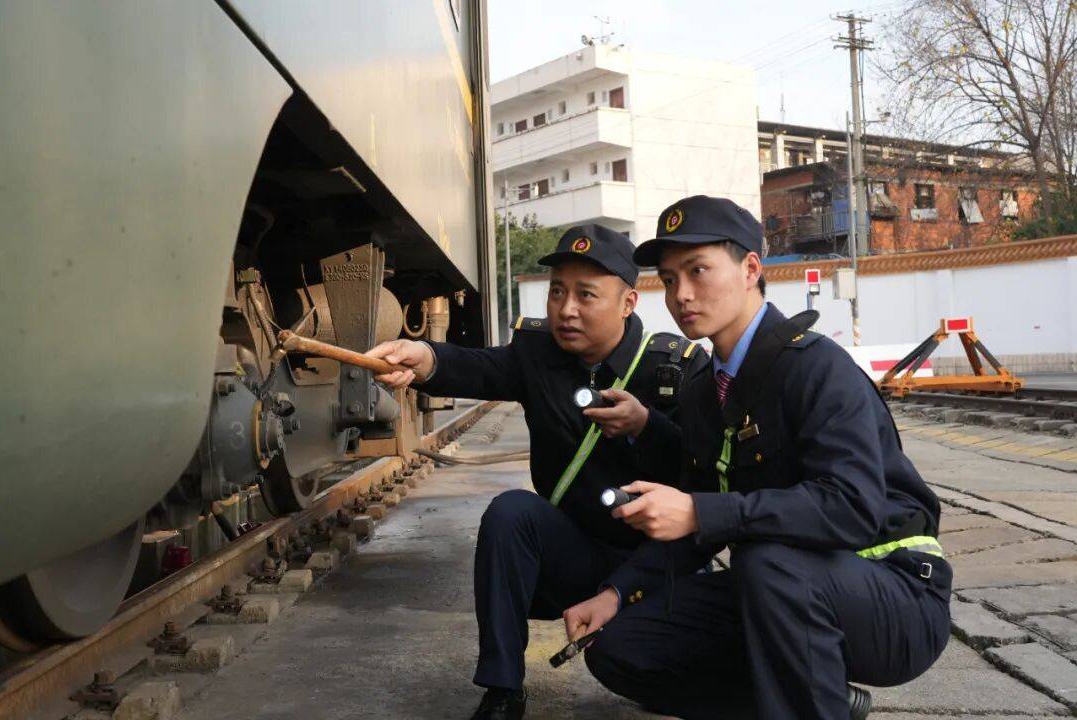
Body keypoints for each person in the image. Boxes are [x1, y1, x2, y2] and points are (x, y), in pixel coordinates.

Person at [563, 197, 951, 720]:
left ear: (750, 269)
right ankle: (820, 696)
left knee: (765, 560)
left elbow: (852, 507)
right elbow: (695, 529)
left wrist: (702, 512)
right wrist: (615, 592)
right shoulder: (704, 391)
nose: (681, 294)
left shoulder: (816, 368)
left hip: (895, 593)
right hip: (783, 586)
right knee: (622, 647)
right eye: (669, 279)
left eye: (698, 271)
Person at [367, 224, 709, 720]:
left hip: (655, 565)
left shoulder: (673, 369)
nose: (566, 309)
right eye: (557, 292)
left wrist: (645, 425)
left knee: (650, 666)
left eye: (586, 295)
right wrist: (424, 357)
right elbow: (478, 367)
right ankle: (503, 690)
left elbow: (703, 479)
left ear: (628, 302)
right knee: (511, 513)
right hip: (575, 556)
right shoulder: (538, 354)